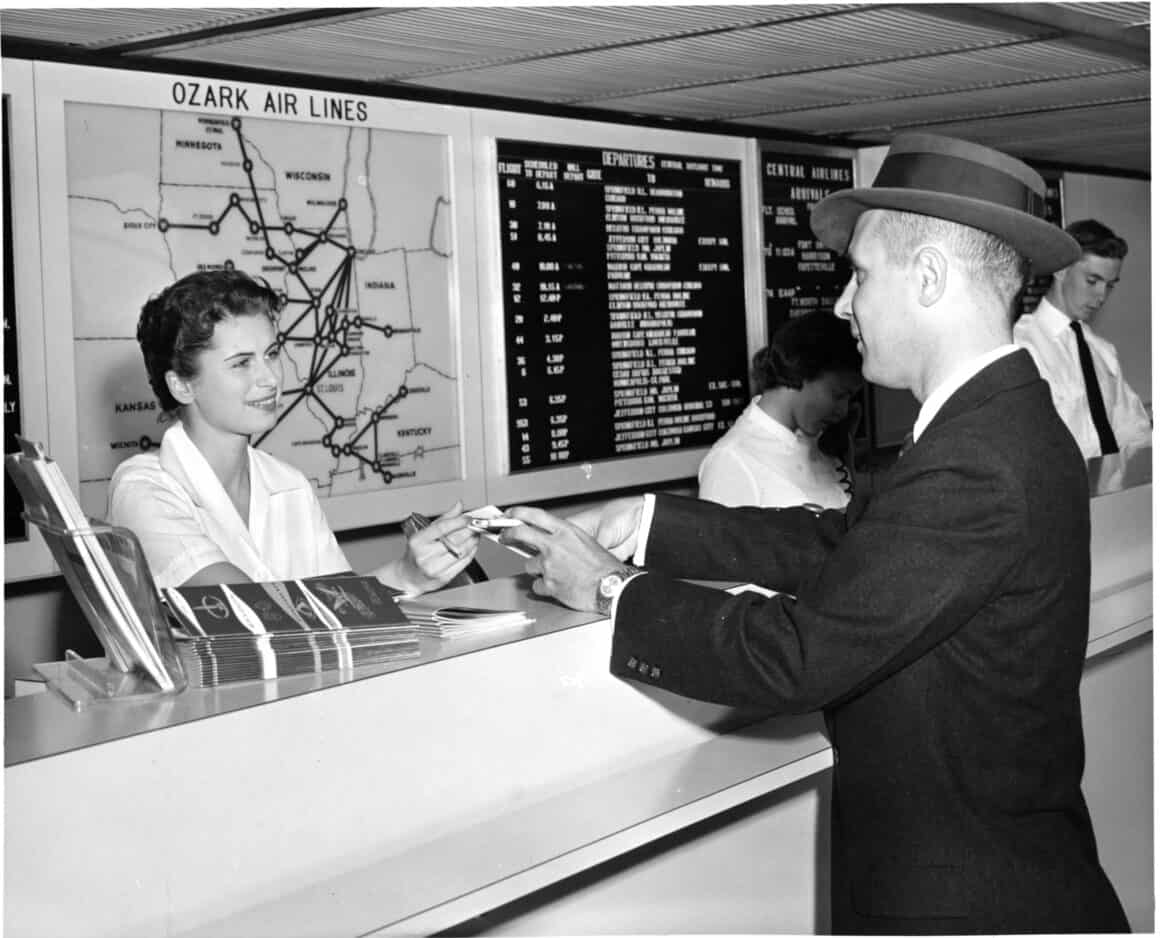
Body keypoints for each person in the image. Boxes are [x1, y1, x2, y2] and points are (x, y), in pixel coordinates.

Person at [500, 133, 1128, 934]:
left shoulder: (981, 459)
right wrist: (654, 523)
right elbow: (852, 547)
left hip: (967, 898)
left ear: (930, 277)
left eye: (861, 276)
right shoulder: (996, 427)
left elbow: (800, 657)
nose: (842, 304)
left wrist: (607, 587)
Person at [108, 269, 480, 593]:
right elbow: (253, 611)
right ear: (182, 386)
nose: (270, 378)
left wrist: (413, 576)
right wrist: (402, 575)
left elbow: (348, 611)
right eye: (241, 364)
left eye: (271, 354)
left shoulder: (291, 485)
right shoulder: (143, 489)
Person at [1014, 218, 1151, 458]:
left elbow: (1134, 431)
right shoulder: (1020, 346)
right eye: (1092, 281)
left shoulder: (1101, 350)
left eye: (1109, 285)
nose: (1101, 296)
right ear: (1061, 270)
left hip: (1113, 491)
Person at [698, 309, 862, 509]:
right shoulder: (730, 461)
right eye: (837, 395)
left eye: (849, 398)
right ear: (802, 370)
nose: (843, 411)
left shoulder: (822, 445)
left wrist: (848, 457)